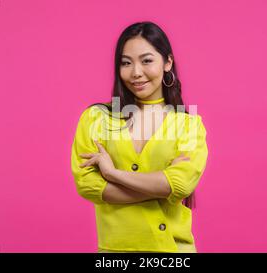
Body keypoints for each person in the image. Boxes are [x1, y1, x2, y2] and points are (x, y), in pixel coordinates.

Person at [71, 21, 208, 253]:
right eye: (126, 63)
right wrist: (159, 188)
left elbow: (180, 184)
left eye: (146, 60)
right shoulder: (96, 118)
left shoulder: (188, 124)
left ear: (167, 63)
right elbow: (87, 185)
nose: (136, 72)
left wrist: (112, 174)